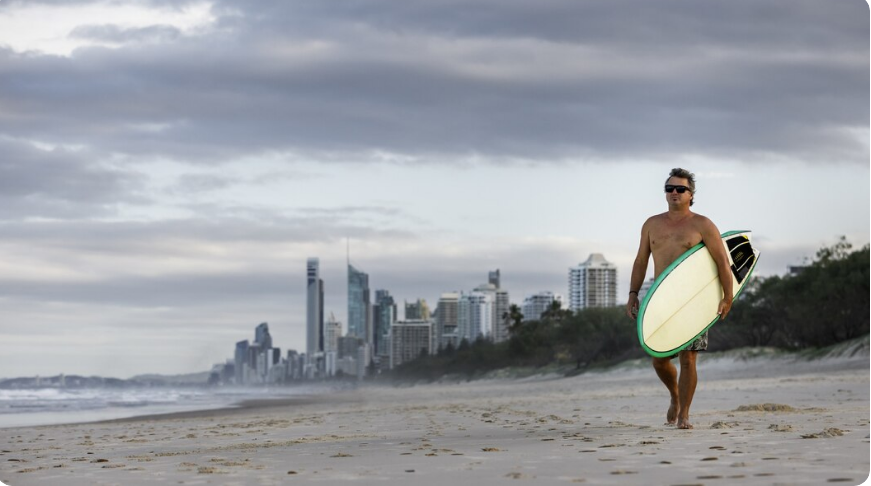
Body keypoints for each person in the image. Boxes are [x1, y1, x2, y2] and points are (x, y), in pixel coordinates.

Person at [625, 168, 733, 430]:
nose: (674, 193)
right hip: (660, 299)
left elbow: (722, 262)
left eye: (680, 189)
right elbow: (641, 260)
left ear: (691, 195)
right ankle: (674, 395)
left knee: (689, 358)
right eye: (670, 188)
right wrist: (632, 294)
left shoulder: (703, 225)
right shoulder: (651, 224)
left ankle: (685, 413)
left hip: (693, 300)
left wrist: (727, 296)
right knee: (658, 359)